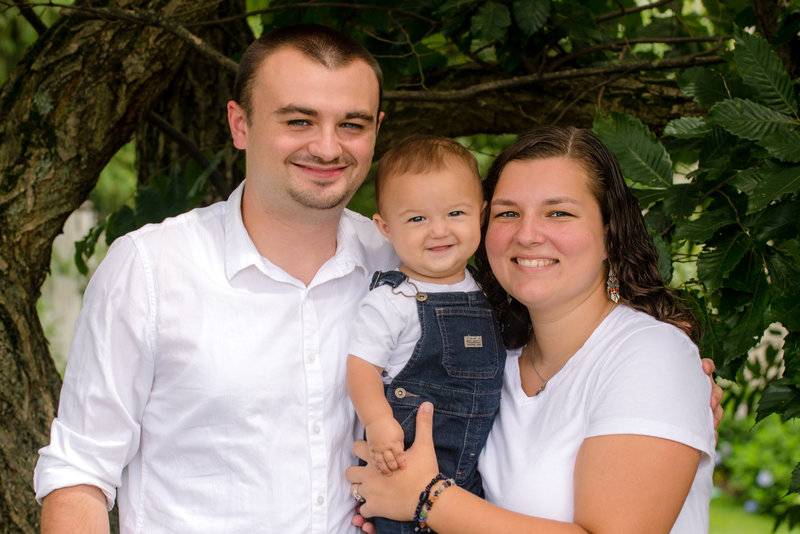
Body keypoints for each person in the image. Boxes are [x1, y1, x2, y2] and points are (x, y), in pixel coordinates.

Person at [34, 24, 398, 533]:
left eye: (352, 125)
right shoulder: (150, 269)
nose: (327, 146)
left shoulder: (401, 266)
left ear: (376, 130)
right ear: (240, 123)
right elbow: (79, 474)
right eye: (298, 120)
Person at [346, 126, 717, 533]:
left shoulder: (651, 356)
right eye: (508, 213)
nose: (527, 234)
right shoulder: (491, 362)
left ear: (610, 231)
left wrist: (426, 500)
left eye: (559, 212)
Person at [346, 136, 506, 533]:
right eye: (417, 219)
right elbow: (361, 368)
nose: (439, 230)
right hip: (401, 475)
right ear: (384, 227)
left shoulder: (491, 290)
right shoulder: (393, 300)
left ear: (481, 214)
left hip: (466, 486)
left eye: (455, 213)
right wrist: (379, 421)